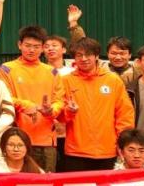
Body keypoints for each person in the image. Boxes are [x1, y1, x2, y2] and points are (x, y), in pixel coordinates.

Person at [58, 38, 135, 172]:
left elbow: (124, 114)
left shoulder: (113, 80)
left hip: (108, 151)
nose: (84, 59)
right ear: (74, 58)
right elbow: (60, 116)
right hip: (76, 152)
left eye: (88, 54)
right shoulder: (66, 81)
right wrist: (69, 111)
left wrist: (123, 142)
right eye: (79, 55)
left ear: (97, 56)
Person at [0, 26, 64, 172]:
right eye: (28, 45)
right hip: (16, 140)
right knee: (17, 182)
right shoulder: (7, 69)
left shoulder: (52, 72)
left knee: (46, 182)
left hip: (46, 140)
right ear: (19, 45)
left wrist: (51, 110)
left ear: (43, 48)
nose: (31, 50)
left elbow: (59, 100)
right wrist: (29, 106)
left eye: (36, 46)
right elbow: (4, 97)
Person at [67, 4, 144, 83]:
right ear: (107, 54)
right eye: (114, 53)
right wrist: (74, 24)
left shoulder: (138, 70)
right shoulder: (99, 68)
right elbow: (83, 47)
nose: (118, 57)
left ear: (130, 55)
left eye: (122, 53)